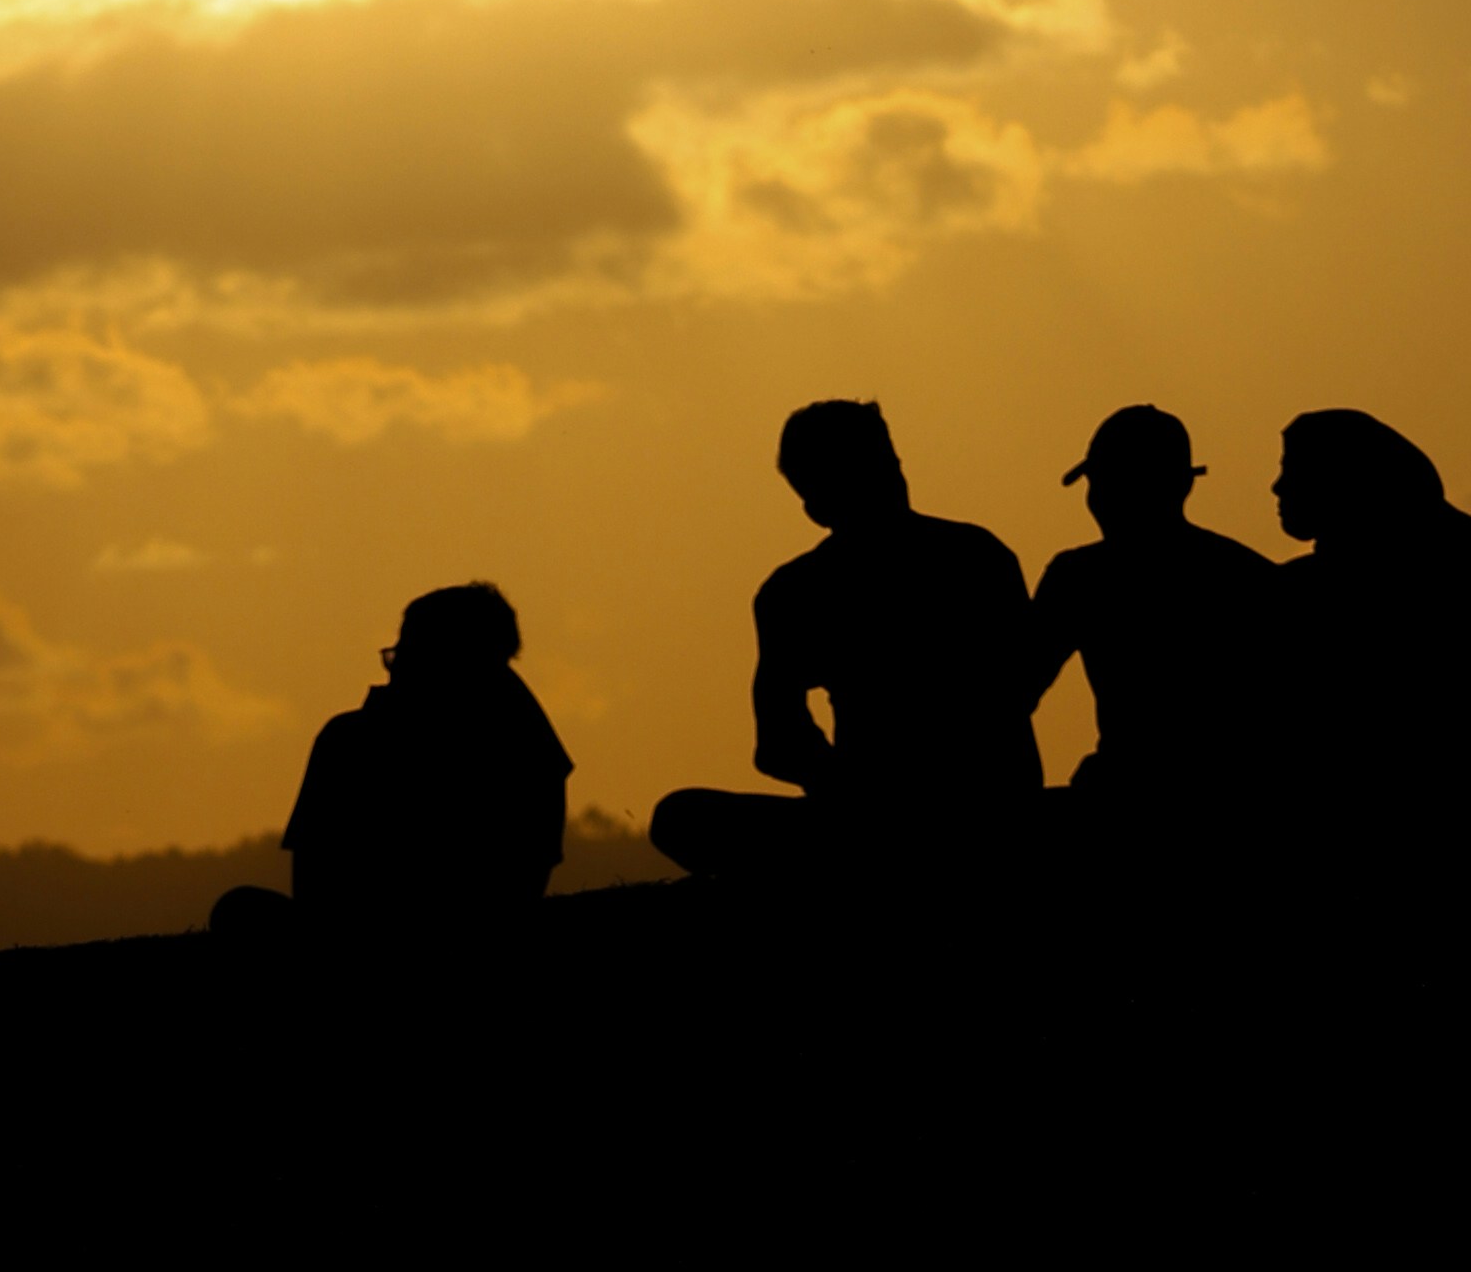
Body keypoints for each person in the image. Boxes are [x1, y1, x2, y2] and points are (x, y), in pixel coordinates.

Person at [651, 400, 1040, 883]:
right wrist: (856, 794)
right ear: (817, 505)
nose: (890, 479)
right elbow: (778, 740)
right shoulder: (973, 555)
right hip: (912, 815)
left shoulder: (971, 558)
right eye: (870, 468)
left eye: (887, 464)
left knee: (683, 818)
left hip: (971, 813)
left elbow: (780, 743)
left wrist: (854, 792)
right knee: (679, 815)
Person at [212, 583, 573, 947]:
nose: (393, 672)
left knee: (238, 909)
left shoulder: (352, 741)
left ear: (444, 661)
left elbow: (313, 882)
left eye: (404, 656)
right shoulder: (531, 741)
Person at [1027, 405, 1284, 797]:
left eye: (1111, 482)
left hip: (1131, 791)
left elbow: (1011, 688)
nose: (1101, 498)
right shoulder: (1248, 574)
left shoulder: (1081, 578)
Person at [1271, 409, 1471, 799]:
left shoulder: (1316, 593)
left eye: (1295, 470)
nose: (1278, 487)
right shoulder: (1453, 576)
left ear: (1343, 480)